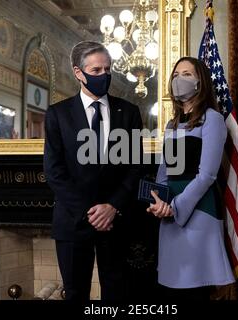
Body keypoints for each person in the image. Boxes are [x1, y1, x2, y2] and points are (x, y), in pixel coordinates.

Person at [44, 41, 143, 302]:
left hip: (116, 221)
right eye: (96, 70)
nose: (104, 76)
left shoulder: (129, 112)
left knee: (118, 292)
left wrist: (112, 207)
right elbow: (54, 172)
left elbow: (135, 167)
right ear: (79, 73)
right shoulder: (58, 114)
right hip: (73, 221)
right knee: (75, 292)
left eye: (107, 70)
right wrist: (90, 212)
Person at [147, 57, 235, 301]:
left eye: (186, 74)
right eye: (176, 75)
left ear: (200, 82)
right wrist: (160, 202)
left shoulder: (213, 119)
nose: (179, 80)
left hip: (199, 211)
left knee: (195, 289)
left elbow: (207, 174)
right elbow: (164, 172)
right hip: (169, 215)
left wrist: (176, 208)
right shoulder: (171, 124)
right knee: (172, 290)